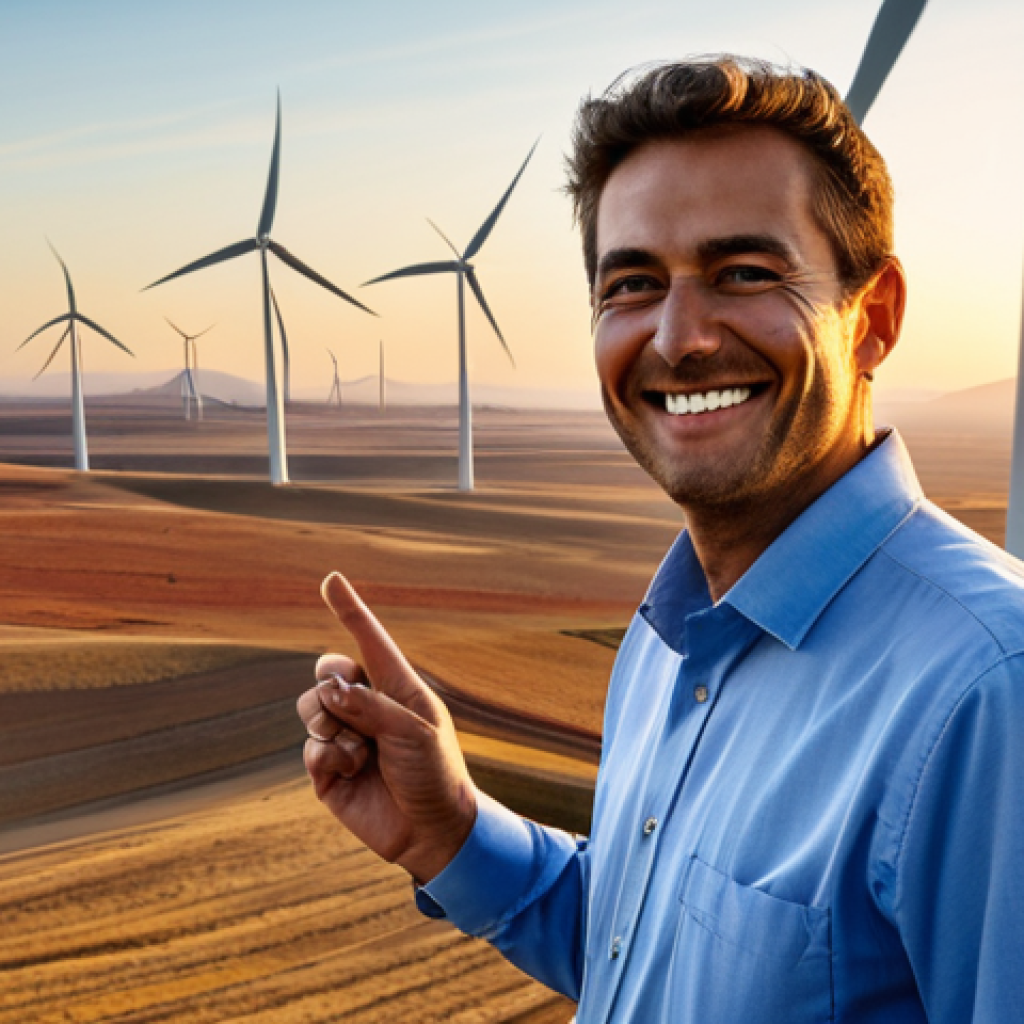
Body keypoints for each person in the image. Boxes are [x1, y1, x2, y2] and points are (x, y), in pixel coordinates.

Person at [296, 56, 1024, 1022]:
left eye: (745, 273)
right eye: (632, 285)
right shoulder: (668, 636)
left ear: (873, 319)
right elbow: (652, 957)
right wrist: (455, 833)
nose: (680, 336)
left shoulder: (986, 693)